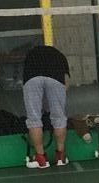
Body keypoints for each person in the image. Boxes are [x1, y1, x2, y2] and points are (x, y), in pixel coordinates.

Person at [22, 38, 70, 171]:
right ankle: (61, 156)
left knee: (34, 118)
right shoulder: (59, 56)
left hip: (32, 78)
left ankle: (41, 158)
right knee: (59, 117)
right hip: (56, 77)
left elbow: (26, 81)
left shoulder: (30, 54)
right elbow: (66, 83)